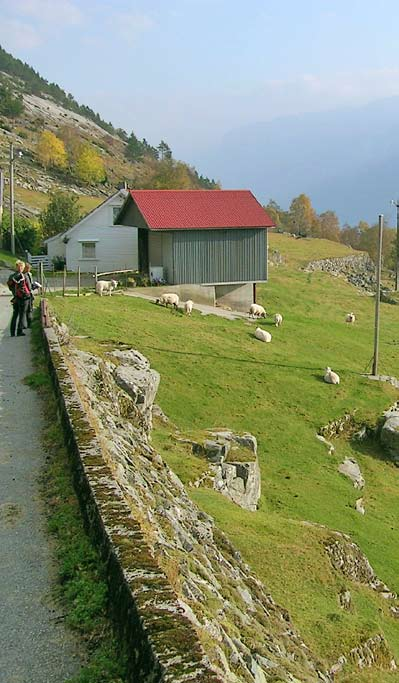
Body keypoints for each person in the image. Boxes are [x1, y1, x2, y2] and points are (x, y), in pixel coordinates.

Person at [7, 260, 31, 337]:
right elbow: (29, 288)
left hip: (15, 298)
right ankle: (19, 331)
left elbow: (10, 288)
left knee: (15, 315)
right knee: (22, 314)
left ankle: (12, 332)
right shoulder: (24, 276)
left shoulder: (11, 277)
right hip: (23, 298)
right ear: (23, 267)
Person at [23, 263, 42, 328]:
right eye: (28, 268)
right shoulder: (25, 275)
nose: (29, 270)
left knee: (28, 309)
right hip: (26, 295)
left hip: (28, 294)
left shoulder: (28, 275)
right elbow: (29, 286)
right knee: (27, 310)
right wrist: (34, 286)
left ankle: (28, 324)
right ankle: (27, 324)